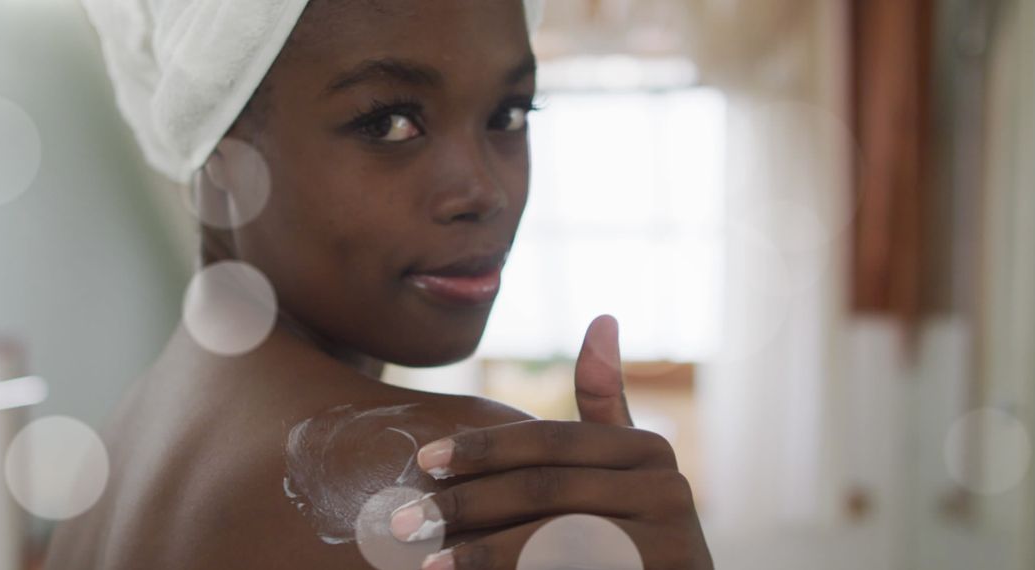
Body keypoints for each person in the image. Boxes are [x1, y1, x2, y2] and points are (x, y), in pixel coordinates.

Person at [45, 1, 715, 568]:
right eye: (391, 122)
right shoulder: (451, 487)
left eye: (510, 113)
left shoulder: (123, 452)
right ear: (221, 157)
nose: (482, 191)